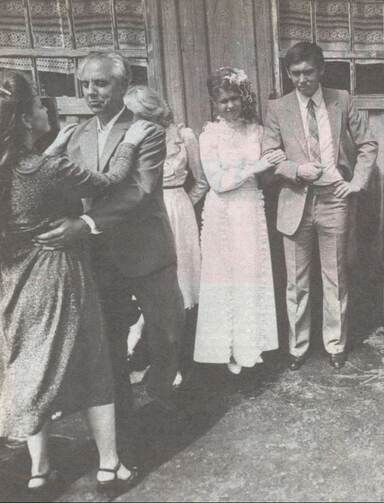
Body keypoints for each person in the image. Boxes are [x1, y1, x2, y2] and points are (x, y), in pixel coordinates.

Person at [0, 71, 151, 494]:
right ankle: (110, 466)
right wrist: (132, 141)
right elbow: (112, 180)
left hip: (14, 285)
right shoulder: (49, 168)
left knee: (30, 369)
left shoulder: (9, 167)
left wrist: (53, 147)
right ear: (27, 119)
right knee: (93, 365)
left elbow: (28, 176)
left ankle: (39, 469)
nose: (45, 109)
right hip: (59, 277)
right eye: (37, 106)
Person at [34, 51, 185, 459]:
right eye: (85, 85)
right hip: (100, 257)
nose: (92, 92)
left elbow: (139, 189)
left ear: (122, 85)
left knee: (167, 332)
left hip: (146, 251)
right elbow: (60, 184)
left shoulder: (145, 131)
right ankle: (124, 425)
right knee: (110, 342)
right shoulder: (76, 134)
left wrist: (84, 223)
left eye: (100, 84)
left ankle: (162, 395)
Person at [262, 42, 378, 370]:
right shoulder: (278, 108)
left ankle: (335, 345)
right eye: (295, 73)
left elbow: (368, 143)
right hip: (294, 200)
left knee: (335, 276)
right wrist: (296, 170)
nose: (302, 79)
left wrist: (356, 182)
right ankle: (297, 348)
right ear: (288, 74)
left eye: (309, 72)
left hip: (333, 200)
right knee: (296, 282)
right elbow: (270, 153)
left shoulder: (341, 100)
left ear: (321, 70)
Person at [193, 67, 284, 374]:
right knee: (225, 278)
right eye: (223, 101)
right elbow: (217, 182)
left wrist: (270, 166)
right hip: (223, 212)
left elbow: (271, 168)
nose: (229, 106)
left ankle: (251, 346)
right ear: (214, 104)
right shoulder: (209, 136)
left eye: (234, 99)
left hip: (250, 208)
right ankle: (226, 348)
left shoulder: (256, 131)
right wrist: (255, 166)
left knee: (250, 275)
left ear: (243, 98)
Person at [123, 85, 208, 382]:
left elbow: (201, 182)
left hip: (178, 211)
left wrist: (182, 204)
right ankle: (146, 357)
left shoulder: (184, 137)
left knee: (180, 286)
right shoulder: (132, 139)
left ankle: (177, 362)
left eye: (135, 114)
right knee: (149, 288)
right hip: (146, 216)